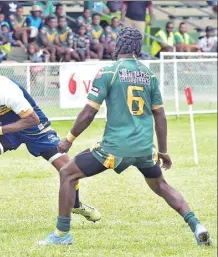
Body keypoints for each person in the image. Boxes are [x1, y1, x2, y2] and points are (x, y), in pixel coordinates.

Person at [38, 27, 212, 246]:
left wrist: (69, 139)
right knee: (162, 186)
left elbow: (88, 112)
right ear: (137, 49)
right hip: (144, 149)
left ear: (119, 45)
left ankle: (62, 235)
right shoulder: (149, 75)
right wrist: (163, 151)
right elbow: (160, 116)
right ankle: (197, 225)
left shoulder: (108, 72)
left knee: (67, 173)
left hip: (114, 148)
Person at [0, 57, 101, 231]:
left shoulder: (8, 91)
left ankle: (76, 203)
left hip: (34, 127)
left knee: (67, 168)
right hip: (7, 126)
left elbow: (32, 120)